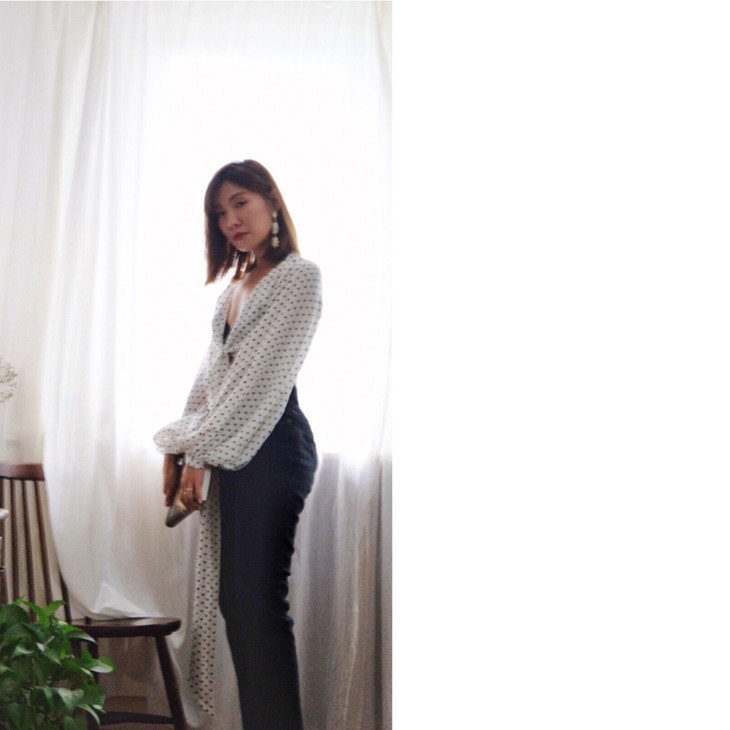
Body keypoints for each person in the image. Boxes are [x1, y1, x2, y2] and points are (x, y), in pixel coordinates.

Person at [153, 159, 322, 729]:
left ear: (272, 201)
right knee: (238, 604)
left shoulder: (299, 277)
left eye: (240, 203)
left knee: (257, 604)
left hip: (275, 448)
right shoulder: (234, 288)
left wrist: (196, 452)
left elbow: (259, 382)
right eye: (219, 212)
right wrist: (180, 446)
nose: (231, 220)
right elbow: (210, 381)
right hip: (231, 447)